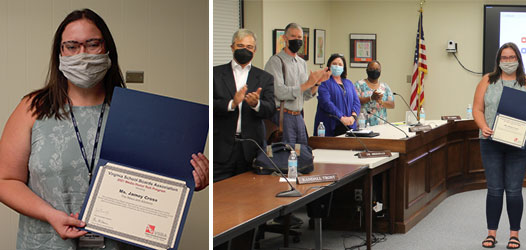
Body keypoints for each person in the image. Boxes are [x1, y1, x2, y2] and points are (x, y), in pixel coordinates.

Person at [0, 9, 208, 249]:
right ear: (60, 53)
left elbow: (159, 182)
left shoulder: (139, 112)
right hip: (46, 242)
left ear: (107, 49)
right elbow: (5, 180)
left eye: (92, 44)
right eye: (72, 46)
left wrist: (189, 179)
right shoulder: (32, 108)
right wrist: (50, 214)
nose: (82, 54)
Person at [473, 42, 526, 249]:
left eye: (512, 57)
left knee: (514, 190)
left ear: (518, 59)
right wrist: (483, 126)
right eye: (504, 58)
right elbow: (477, 109)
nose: (508, 61)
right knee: (494, 189)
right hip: (490, 141)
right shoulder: (487, 80)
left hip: (519, 143)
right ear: (498, 61)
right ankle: (491, 234)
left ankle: (514, 235)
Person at [212, 29, 276, 182]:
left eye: (249, 47)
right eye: (240, 46)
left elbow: (271, 109)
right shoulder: (215, 74)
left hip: (251, 148)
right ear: (232, 47)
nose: (245, 50)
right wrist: (232, 103)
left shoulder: (265, 77)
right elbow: (209, 106)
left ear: (255, 50)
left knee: (250, 195)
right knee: (220, 197)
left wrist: (256, 104)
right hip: (222, 147)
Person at [264, 23, 330, 143]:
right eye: (293, 37)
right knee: (287, 154)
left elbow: (305, 95)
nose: (297, 40)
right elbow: (280, 92)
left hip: (299, 115)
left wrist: (316, 83)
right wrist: (307, 83)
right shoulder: (275, 62)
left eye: (299, 37)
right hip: (283, 116)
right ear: (285, 38)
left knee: (302, 153)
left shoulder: (301, 63)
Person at [315, 54, 361, 136]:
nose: (337, 66)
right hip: (330, 125)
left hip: (349, 126)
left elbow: (356, 102)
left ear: (343, 68)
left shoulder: (348, 83)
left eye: (340, 64)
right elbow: (326, 102)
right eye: (334, 64)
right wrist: (341, 117)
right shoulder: (324, 82)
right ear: (329, 65)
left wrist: (353, 117)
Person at [355, 61, 395, 126]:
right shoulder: (359, 84)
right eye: (372, 69)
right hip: (363, 124)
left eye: (377, 69)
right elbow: (356, 101)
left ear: (380, 71)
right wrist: (371, 98)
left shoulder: (384, 86)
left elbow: (392, 104)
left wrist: (381, 102)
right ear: (367, 70)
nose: (374, 71)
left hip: (381, 125)